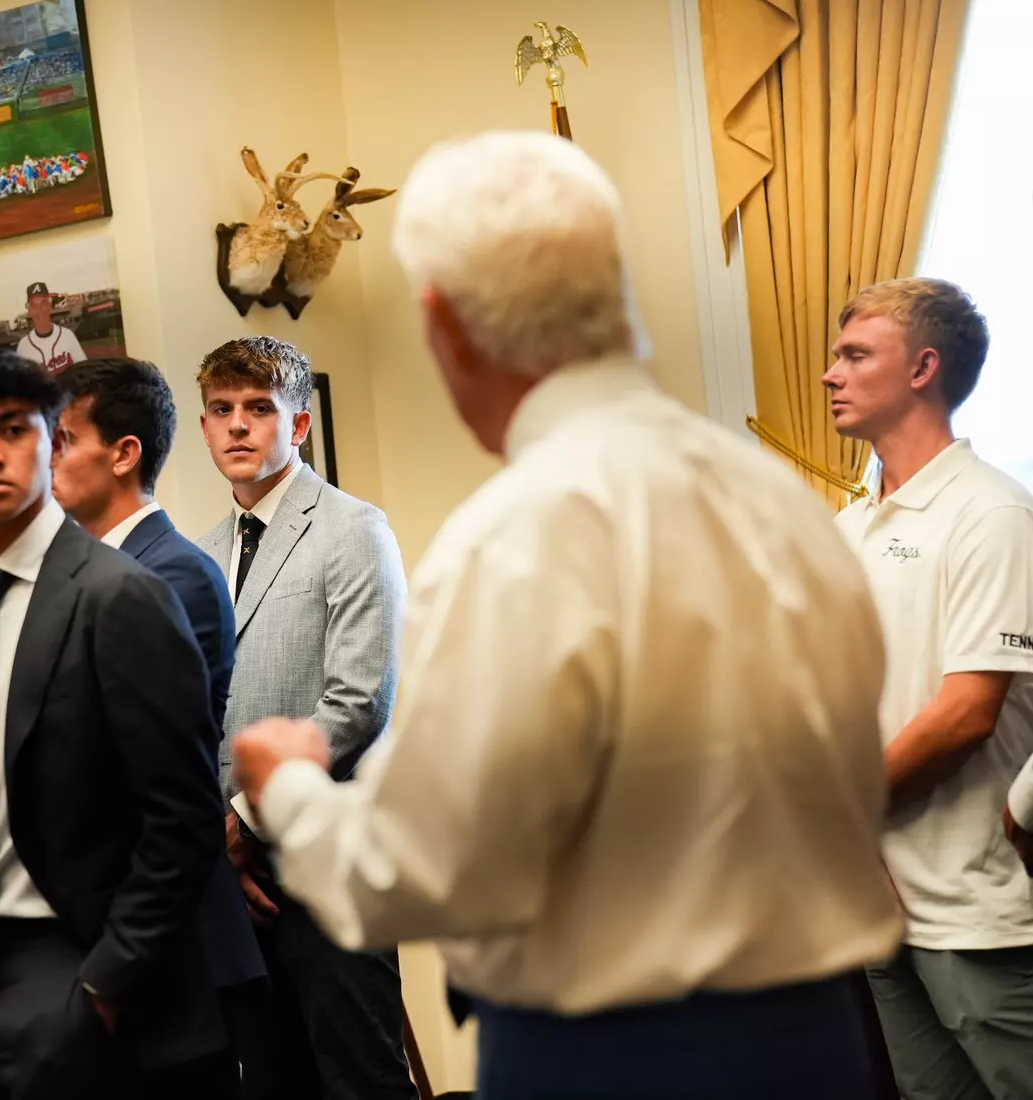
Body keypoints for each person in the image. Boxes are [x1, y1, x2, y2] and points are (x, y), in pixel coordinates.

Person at [230, 130, 905, 1100]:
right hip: (824, 1040)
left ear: (443, 323)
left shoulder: (517, 536)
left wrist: (287, 786)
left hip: (614, 1056)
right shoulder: (787, 503)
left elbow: (419, 872)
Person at [0, 347, 233, 1100]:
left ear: (51, 443)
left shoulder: (124, 595)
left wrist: (101, 987)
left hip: (87, 971)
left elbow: (183, 819)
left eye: (15, 429)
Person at [824, 277, 1033, 1100]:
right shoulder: (850, 528)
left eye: (854, 354)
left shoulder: (991, 514)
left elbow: (965, 715)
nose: (830, 374)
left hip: (980, 911)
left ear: (924, 368)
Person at [195, 335, 411, 1100]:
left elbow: (357, 703)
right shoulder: (203, 553)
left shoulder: (354, 529)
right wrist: (219, 843)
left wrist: (244, 821)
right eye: (222, 410)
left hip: (328, 866)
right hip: (237, 887)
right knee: (275, 1084)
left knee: (361, 1081)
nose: (238, 427)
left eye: (259, 409)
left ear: (300, 425)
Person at [50, 357, 267, 1081]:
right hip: (95, 933)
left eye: (62, 437)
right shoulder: (74, 576)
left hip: (173, 950)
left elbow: (135, 767)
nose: (46, 458)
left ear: (123, 452)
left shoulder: (176, 576)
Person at [14, 282, 86, 373]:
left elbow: (84, 370)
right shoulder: (23, 347)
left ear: (49, 305)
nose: (39, 310)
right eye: (34, 305)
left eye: (43, 303)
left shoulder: (67, 336)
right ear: (29, 311)